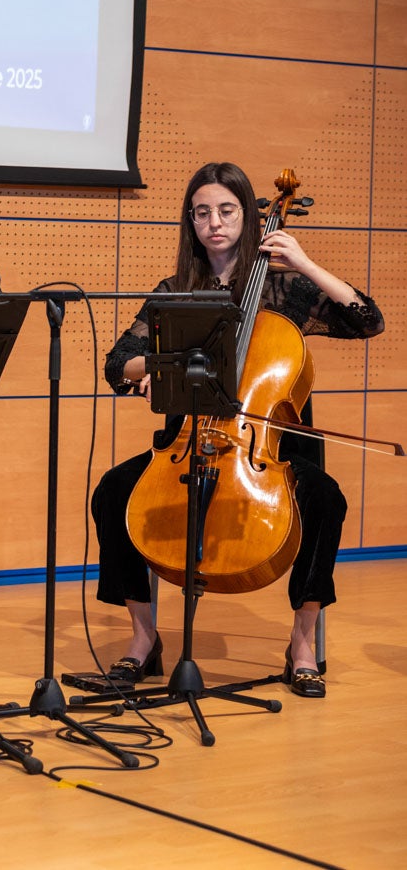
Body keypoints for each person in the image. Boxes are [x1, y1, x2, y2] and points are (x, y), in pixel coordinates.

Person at [91, 161, 384, 698]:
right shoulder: (177, 291)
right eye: (201, 212)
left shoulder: (285, 288)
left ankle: (301, 641)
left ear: (248, 215)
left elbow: (367, 320)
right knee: (112, 492)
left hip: (271, 453)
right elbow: (118, 363)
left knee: (327, 501)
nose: (214, 222)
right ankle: (143, 638)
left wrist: (306, 263)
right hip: (187, 445)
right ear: (191, 222)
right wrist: (159, 368)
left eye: (226, 210)